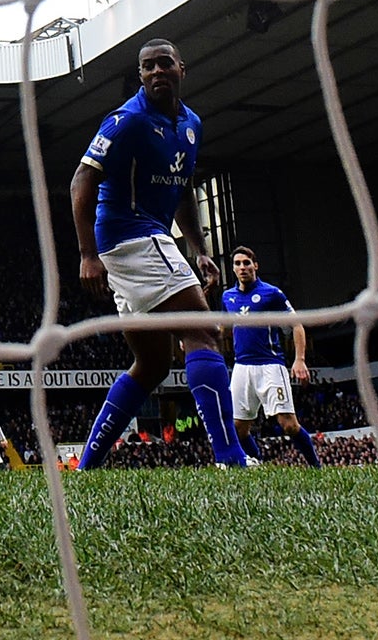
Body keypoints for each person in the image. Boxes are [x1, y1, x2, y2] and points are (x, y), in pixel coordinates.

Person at [69, 39, 247, 469]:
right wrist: (86, 254)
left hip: (146, 239)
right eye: (147, 67)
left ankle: (87, 467)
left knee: (152, 364)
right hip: (129, 235)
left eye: (163, 64)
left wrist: (200, 251)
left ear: (181, 69)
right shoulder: (126, 120)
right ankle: (231, 458)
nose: (155, 73)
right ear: (141, 75)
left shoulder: (191, 124)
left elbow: (183, 189)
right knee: (204, 332)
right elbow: (80, 181)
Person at [218, 246, 319, 465]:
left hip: (270, 365)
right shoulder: (228, 297)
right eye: (237, 263)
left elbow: (296, 325)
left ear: (255, 265)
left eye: (246, 262)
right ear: (233, 268)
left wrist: (299, 359)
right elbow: (221, 329)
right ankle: (258, 464)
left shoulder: (271, 293)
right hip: (241, 367)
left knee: (289, 425)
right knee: (238, 428)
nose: (242, 267)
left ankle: (316, 467)